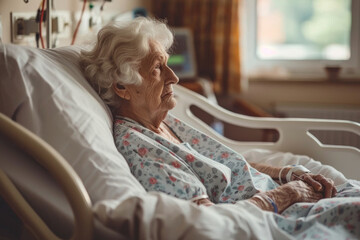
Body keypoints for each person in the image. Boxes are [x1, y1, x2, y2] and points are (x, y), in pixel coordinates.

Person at [79, 17, 360, 237]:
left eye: (168, 65)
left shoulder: (165, 121)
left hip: (288, 200)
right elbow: (209, 221)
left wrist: (288, 174)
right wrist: (289, 194)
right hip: (274, 221)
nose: (174, 76)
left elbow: (224, 163)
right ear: (122, 87)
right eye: (157, 68)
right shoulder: (139, 147)